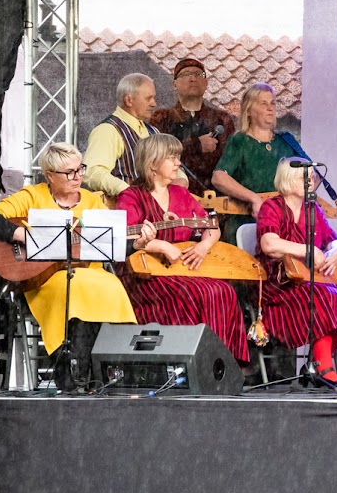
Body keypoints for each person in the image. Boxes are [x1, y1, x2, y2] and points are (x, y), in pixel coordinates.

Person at [0, 142, 136, 387]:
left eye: (80, 169)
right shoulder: (33, 196)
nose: (78, 177)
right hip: (44, 278)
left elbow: (111, 245)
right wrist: (21, 234)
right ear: (50, 175)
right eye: (69, 173)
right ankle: (73, 372)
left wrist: (137, 243)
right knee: (75, 289)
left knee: (112, 287)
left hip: (92, 274)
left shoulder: (92, 201)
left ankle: (102, 372)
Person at [114, 133, 248, 365]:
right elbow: (125, 237)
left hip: (183, 269)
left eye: (178, 157)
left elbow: (211, 226)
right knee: (194, 294)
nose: (178, 163)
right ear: (152, 163)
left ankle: (221, 363)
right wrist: (162, 245)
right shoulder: (131, 196)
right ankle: (189, 362)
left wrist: (204, 245)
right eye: (172, 158)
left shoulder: (181, 194)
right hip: (145, 275)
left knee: (223, 291)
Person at [256, 157, 337, 387]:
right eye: (304, 178)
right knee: (321, 296)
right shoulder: (271, 207)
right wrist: (309, 249)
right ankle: (324, 367)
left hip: (308, 281)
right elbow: (269, 244)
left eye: (312, 178)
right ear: (288, 180)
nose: (311, 181)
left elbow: (335, 240)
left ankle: (318, 362)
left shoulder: (312, 209)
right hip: (279, 285)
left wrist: (336, 251)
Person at [211, 83, 299, 240]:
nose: (270, 108)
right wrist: (253, 198)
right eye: (263, 103)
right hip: (245, 224)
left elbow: (311, 175)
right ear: (249, 110)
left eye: (272, 103)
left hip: (282, 225)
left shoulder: (285, 141)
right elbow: (219, 177)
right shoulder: (239, 141)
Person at [84, 73, 184, 200]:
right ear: (129, 100)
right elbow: (92, 172)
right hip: (124, 209)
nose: (154, 103)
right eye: (148, 98)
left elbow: (172, 164)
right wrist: (129, 192)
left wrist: (182, 179)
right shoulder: (107, 131)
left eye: (153, 97)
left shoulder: (153, 131)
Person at [149, 58, 236, 193]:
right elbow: (156, 156)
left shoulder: (222, 119)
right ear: (174, 84)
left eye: (199, 74)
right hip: (173, 195)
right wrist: (196, 145)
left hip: (216, 198)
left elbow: (231, 161)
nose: (193, 78)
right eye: (185, 74)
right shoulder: (161, 118)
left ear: (206, 83)